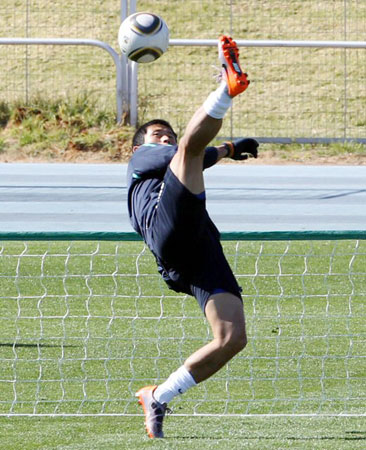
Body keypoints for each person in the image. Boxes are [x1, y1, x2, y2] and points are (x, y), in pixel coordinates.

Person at [127, 35, 259, 438]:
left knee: (232, 337)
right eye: (156, 135)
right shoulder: (140, 159)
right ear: (138, 146)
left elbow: (192, 153)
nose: (162, 138)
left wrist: (226, 150)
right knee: (189, 149)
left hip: (199, 248)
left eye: (167, 134)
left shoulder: (182, 158)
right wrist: (229, 148)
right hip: (163, 229)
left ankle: (159, 395)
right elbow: (188, 150)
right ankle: (226, 85)